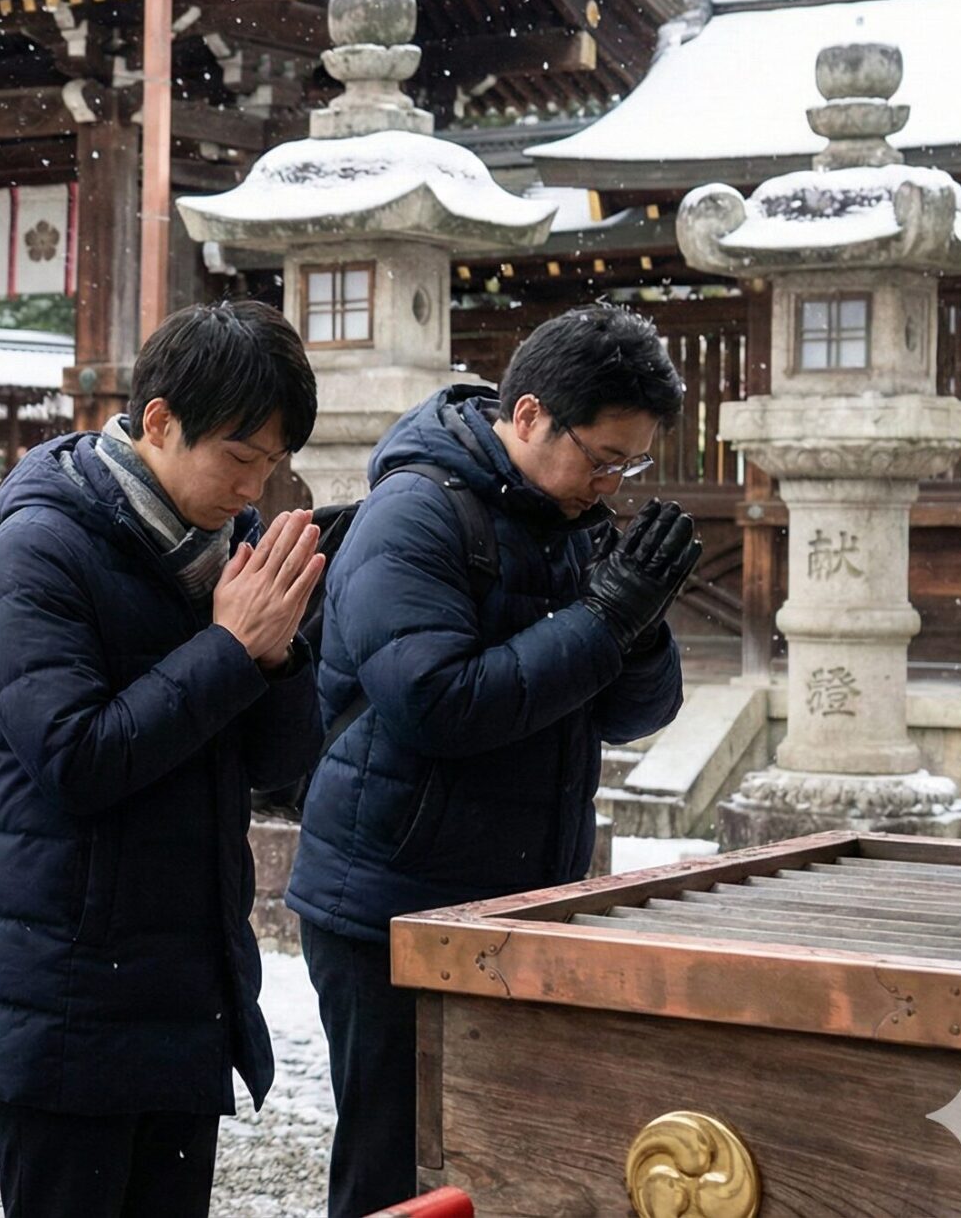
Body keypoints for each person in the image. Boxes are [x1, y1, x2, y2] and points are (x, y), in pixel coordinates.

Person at [289, 304, 695, 1217]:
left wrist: (638, 623)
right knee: (399, 1166)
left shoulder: (571, 520)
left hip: (517, 898)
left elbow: (634, 715)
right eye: (601, 458)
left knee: (506, 1160)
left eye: (629, 466)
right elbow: (439, 705)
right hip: (390, 903)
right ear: (530, 416)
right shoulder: (414, 514)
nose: (611, 484)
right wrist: (602, 621)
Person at [0, 301, 327, 1218]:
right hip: (67, 997)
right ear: (158, 422)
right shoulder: (39, 547)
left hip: (185, 991)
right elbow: (76, 760)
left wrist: (278, 655)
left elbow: (279, 770)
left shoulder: (224, 550)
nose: (255, 485)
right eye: (240, 457)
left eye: (273, 462)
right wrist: (230, 650)